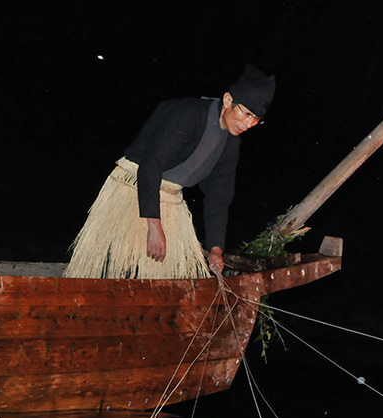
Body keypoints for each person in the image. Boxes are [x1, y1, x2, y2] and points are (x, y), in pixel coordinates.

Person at [65, 65, 275, 279]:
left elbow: (219, 198)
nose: (249, 124)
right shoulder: (187, 114)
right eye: (246, 113)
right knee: (111, 271)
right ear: (228, 100)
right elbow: (150, 164)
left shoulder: (230, 143)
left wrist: (215, 249)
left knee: (166, 280)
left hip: (171, 201)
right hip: (134, 189)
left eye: (256, 119)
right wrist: (154, 225)